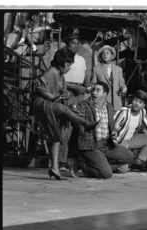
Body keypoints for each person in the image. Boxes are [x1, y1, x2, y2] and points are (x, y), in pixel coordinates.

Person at [33, 48, 96, 181]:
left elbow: (60, 88)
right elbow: (39, 86)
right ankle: (86, 124)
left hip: (49, 104)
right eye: (67, 65)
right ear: (61, 63)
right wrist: (53, 98)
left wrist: (63, 95)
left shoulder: (59, 75)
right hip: (43, 103)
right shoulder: (52, 72)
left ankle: (55, 169)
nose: (69, 68)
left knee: (57, 138)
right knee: (63, 110)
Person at [75, 81, 134, 179]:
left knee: (129, 156)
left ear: (105, 94)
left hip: (107, 144)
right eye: (93, 90)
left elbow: (112, 124)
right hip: (91, 145)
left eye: (98, 90)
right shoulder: (84, 105)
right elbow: (77, 122)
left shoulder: (109, 107)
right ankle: (82, 165)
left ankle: (99, 166)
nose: (94, 93)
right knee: (106, 174)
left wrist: (114, 131)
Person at [59, 31, 90, 171]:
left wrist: (86, 88)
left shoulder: (82, 59)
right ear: (67, 44)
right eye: (73, 43)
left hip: (79, 93)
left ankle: (73, 160)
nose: (76, 46)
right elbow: (57, 78)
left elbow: (85, 77)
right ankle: (60, 161)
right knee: (65, 126)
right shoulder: (61, 56)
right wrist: (73, 86)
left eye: (78, 43)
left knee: (77, 126)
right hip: (67, 91)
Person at [114, 90, 147, 171]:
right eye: (135, 100)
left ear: (143, 105)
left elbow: (144, 120)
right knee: (123, 169)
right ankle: (110, 161)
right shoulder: (124, 112)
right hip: (120, 142)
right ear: (132, 100)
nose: (137, 103)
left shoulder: (142, 111)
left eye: (140, 102)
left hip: (131, 139)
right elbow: (113, 127)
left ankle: (138, 163)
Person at [91, 45, 127, 111]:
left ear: (112, 56)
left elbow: (121, 83)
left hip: (116, 102)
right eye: (103, 53)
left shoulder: (118, 69)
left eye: (107, 53)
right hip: (102, 101)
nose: (105, 55)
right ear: (101, 56)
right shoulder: (96, 69)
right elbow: (93, 84)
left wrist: (123, 88)